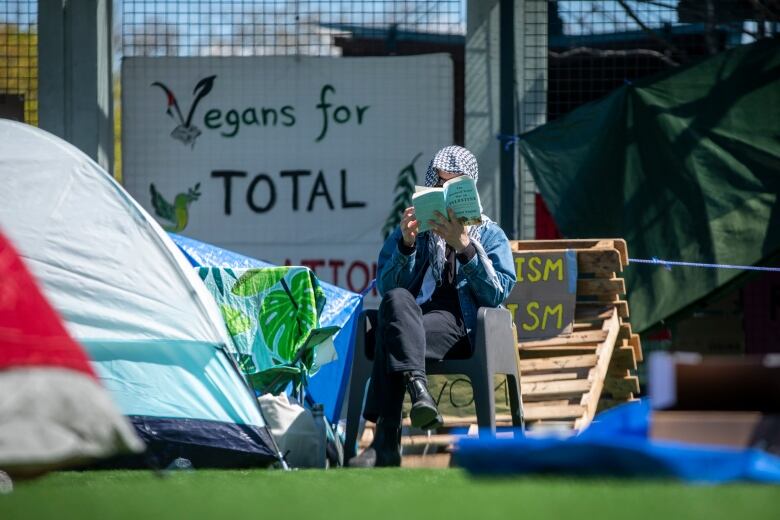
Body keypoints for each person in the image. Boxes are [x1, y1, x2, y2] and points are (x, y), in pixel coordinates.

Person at [348, 145, 516, 468]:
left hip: (460, 325)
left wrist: (464, 246)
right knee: (396, 302)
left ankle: (385, 443)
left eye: (454, 187)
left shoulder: (491, 235)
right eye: (439, 184)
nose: (445, 194)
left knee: (392, 335)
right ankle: (418, 389)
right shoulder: (417, 233)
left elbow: (496, 294)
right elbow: (387, 287)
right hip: (414, 316)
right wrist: (406, 245)